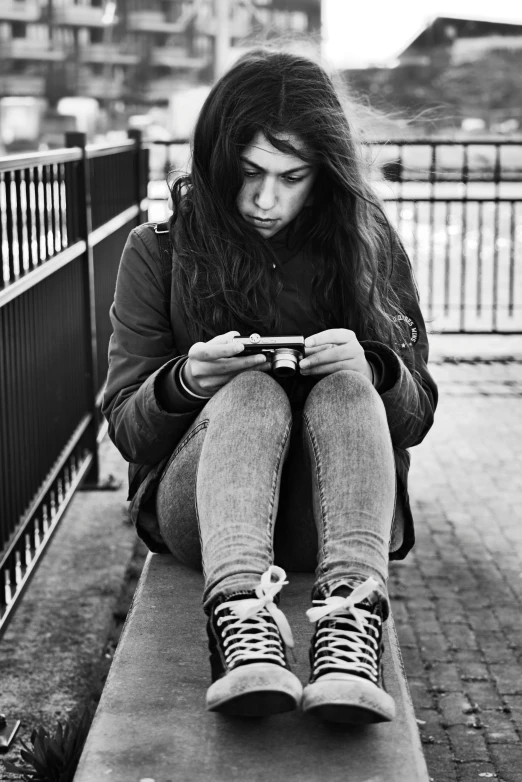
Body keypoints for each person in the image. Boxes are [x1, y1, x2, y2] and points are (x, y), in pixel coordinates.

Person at [102, 48, 438, 725]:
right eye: (250, 173)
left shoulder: (367, 244)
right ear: (219, 163)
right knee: (249, 392)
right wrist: (188, 379)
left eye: (293, 177)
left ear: (325, 174)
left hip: (333, 519)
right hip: (203, 516)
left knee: (349, 389)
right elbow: (127, 429)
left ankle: (348, 635)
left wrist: (374, 369)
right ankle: (242, 627)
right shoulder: (159, 249)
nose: (265, 199)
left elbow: (417, 415)